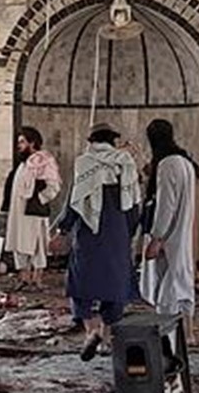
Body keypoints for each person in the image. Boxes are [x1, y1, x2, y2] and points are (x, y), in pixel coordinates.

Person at [51, 123, 141, 362]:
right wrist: (130, 231)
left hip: (90, 234)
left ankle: (91, 330)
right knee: (115, 285)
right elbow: (134, 203)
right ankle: (106, 337)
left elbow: (74, 202)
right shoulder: (125, 162)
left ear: (91, 141)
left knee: (81, 284)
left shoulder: (85, 163)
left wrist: (62, 230)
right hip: (117, 232)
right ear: (112, 141)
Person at [141, 118, 197, 335]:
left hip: (169, 235)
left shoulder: (167, 165)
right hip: (181, 230)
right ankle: (188, 333)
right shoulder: (185, 162)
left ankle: (170, 338)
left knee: (168, 289)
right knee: (182, 282)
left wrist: (157, 238)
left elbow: (166, 205)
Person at [5, 126, 62, 291]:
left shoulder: (43, 160)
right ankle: (24, 277)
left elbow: (53, 186)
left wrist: (39, 199)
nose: (19, 145)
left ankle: (37, 279)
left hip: (34, 212)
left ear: (32, 143)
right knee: (18, 243)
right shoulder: (23, 164)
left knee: (38, 245)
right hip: (19, 212)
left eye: (22, 142)